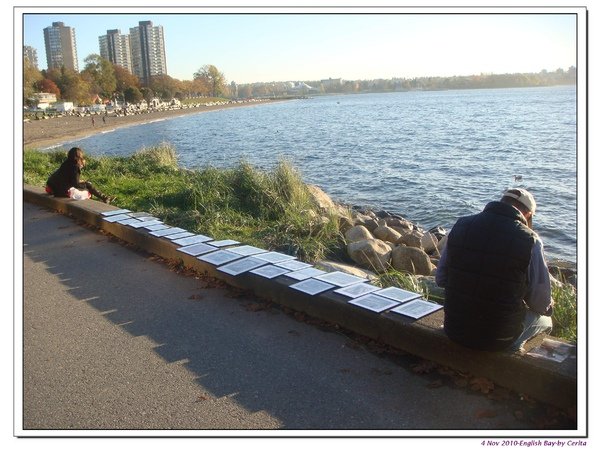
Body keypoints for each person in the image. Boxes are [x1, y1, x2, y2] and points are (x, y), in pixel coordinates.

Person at [435, 188, 553, 352]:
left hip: (453, 329)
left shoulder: (461, 225)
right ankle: (513, 350)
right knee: (546, 322)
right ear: (526, 213)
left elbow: (440, 278)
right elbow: (540, 302)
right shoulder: (531, 240)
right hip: (498, 339)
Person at [46, 147, 115, 204]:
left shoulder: (66, 163)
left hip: (51, 186)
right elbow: (75, 184)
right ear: (79, 156)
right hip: (59, 191)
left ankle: (104, 198)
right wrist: (86, 184)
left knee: (86, 185)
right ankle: (104, 198)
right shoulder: (75, 167)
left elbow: (68, 178)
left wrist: (80, 181)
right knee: (88, 186)